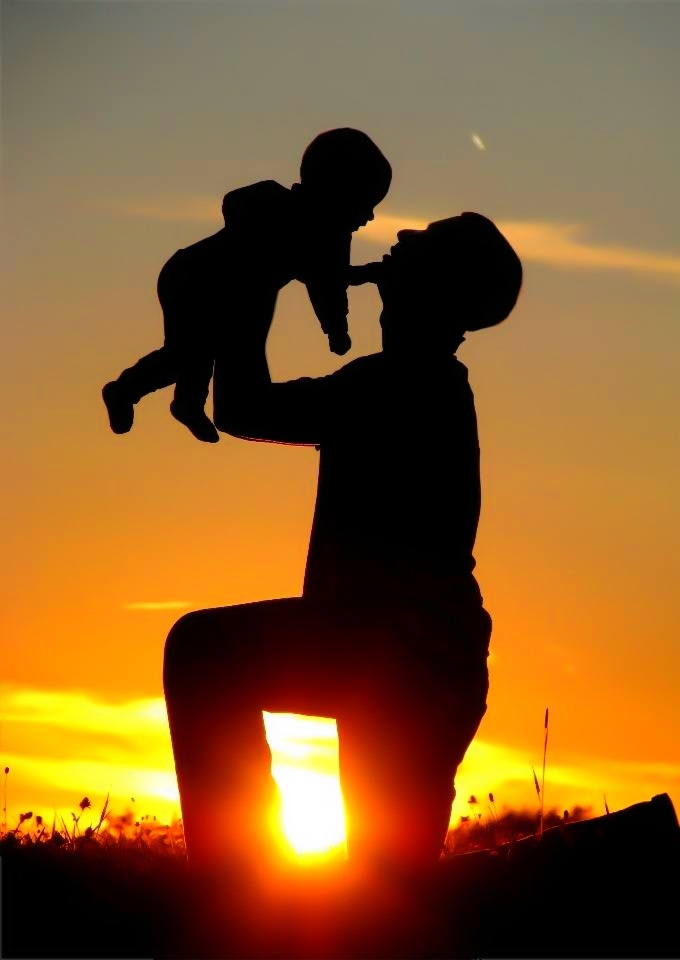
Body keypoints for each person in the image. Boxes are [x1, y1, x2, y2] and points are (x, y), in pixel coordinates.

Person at [162, 213, 523, 883]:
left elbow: (243, 408)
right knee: (383, 896)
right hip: (416, 664)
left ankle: (234, 887)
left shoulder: (400, 384)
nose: (403, 239)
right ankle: (243, 894)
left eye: (426, 243)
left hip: (393, 653)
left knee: (202, 652)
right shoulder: (413, 381)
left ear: (437, 287)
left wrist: (255, 279)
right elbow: (246, 408)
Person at [101, 128, 392, 443]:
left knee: (212, 349)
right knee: (192, 351)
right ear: (337, 193)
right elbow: (324, 280)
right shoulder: (283, 209)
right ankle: (126, 390)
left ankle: (185, 403)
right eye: (364, 203)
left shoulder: (326, 236)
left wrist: (337, 326)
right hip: (197, 278)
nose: (370, 216)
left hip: (243, 296)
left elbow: (329, 283)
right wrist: (337, 324)